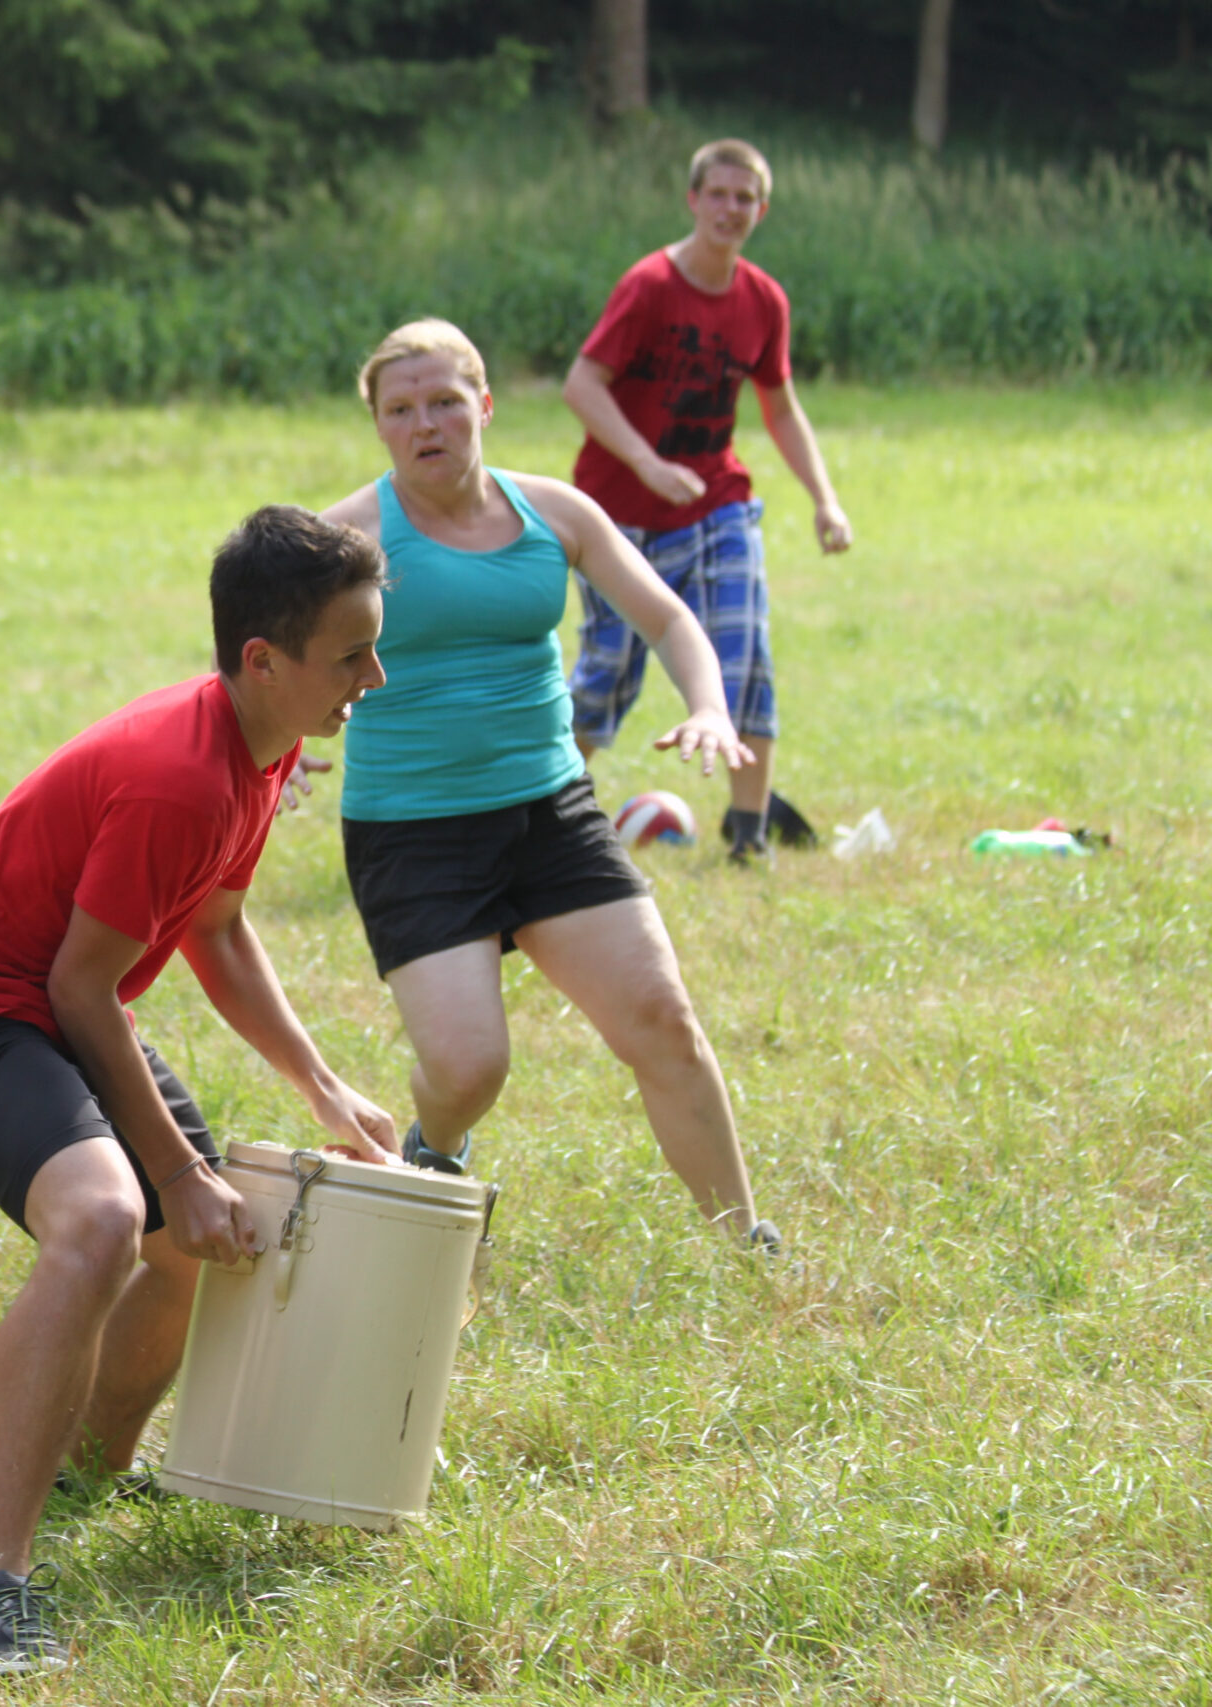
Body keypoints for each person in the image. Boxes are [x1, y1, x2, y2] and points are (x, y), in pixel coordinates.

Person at [0, 506, 400, 1675]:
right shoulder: (181, 780)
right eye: (351, 656)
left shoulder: (264, 745)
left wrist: (321, 1087)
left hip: (53, 1004)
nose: (372, 678)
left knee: (193, 1249)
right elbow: (80, 987)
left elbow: (217, 927)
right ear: (263, 660)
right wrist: (176, 1169)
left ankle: (87, 1477)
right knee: (109, 1220)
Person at [319, 317, 778, 1247]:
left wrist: (710, 707)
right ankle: (436, 1141)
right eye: (400, 409)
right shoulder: (344, 537)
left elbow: (668, 618)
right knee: (469, 1069)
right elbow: (262, 658)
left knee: (662, 1018)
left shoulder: (555, 514)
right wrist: (278, 750)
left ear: (484, 405)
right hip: (412, 830)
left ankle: (746, 1242)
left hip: (550, 814)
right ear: (378, 426)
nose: (425, 423)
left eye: (445, 401)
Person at [561, 137, 854, 863]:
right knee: (608, 671)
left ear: (762, 209)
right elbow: (582, 385)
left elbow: (780, 407)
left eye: (744, 198)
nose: (730, 209)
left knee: (743, 652)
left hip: (717, 503)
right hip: (620, 514)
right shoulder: (649, 286)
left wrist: (825, 499)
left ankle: (748, 835)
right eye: (717, 194)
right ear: (693, 200)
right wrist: (646, 462)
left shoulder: (763, 299)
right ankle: (545, 815)